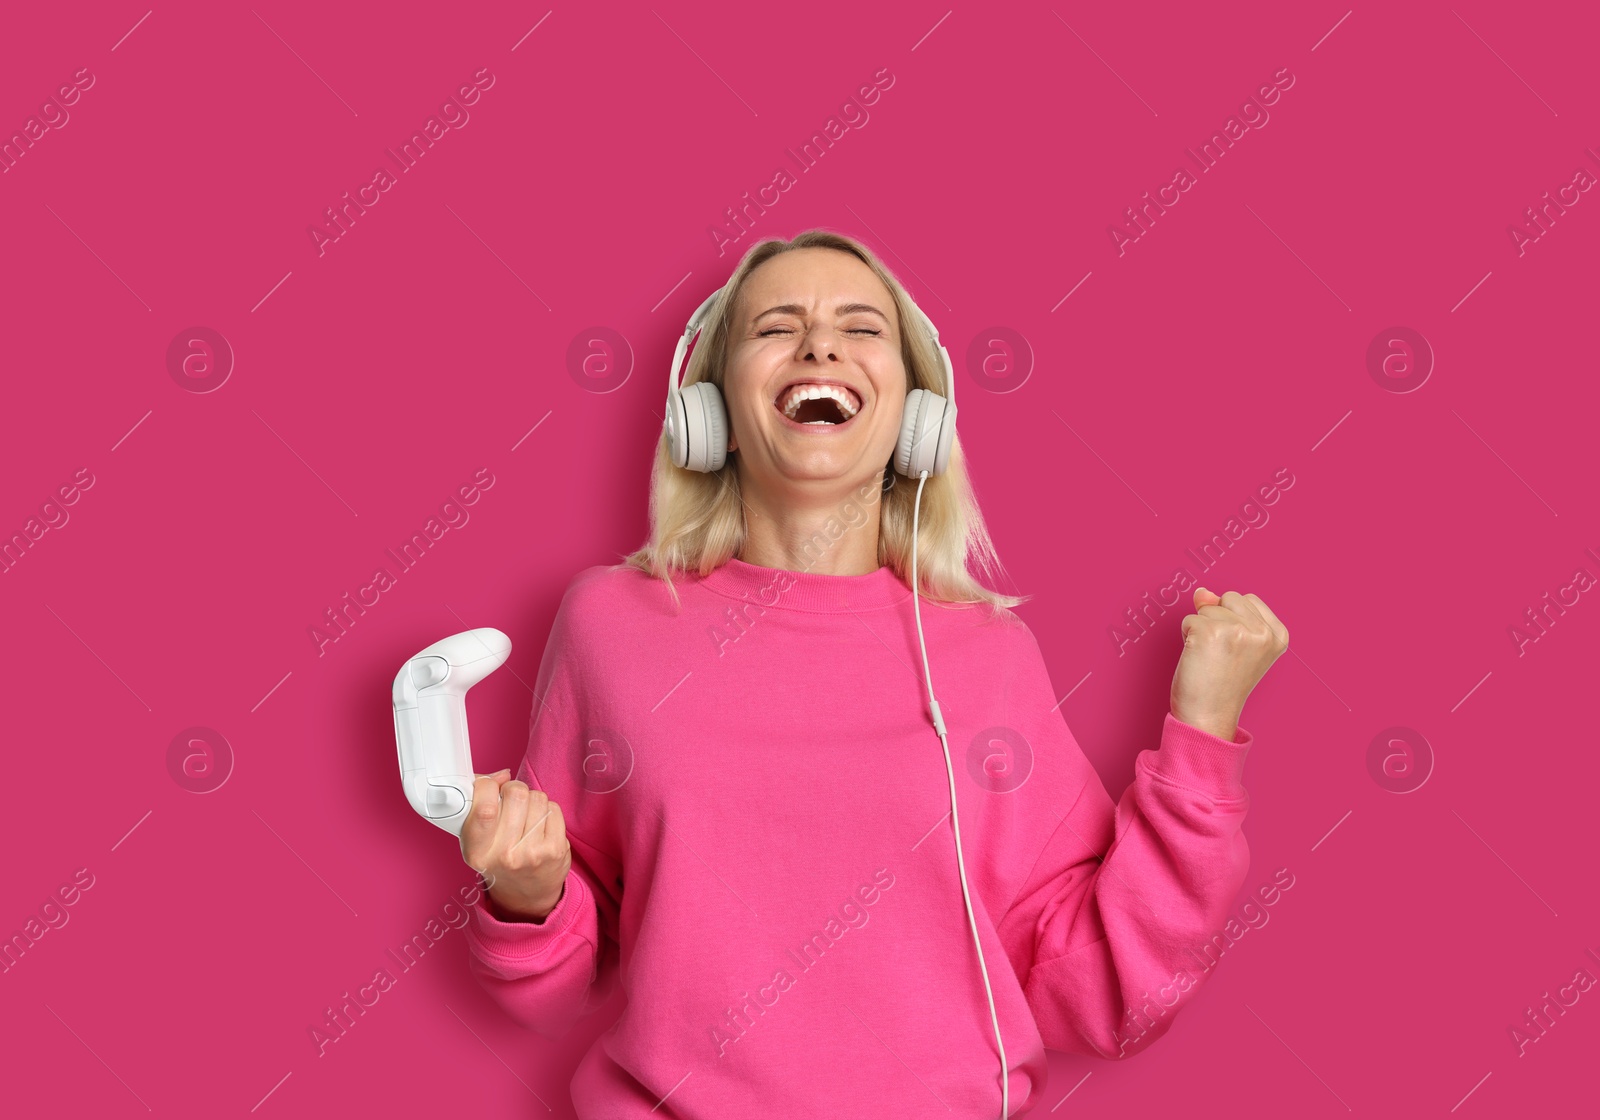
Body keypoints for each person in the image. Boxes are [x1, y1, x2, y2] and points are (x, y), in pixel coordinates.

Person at [458, 229, 1288, 1118]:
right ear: (709, 416)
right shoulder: (609, 625)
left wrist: (1201, 737)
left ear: (917, 422)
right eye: (777, 327)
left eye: (861, 328)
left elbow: (1107, 994)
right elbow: (551, 986)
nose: (821, 346)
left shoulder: (986, 657)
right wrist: (526, 893)